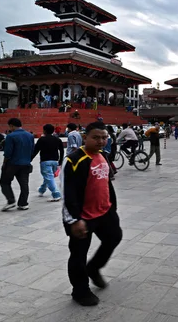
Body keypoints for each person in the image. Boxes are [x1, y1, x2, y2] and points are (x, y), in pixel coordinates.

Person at [63, 122, 122, 306]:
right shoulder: (74, 159)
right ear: (85, 137)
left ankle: (94, 268)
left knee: (114, 237)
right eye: (96, 137)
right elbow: (67, 192)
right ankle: (80, 291)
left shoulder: (103, 154)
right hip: (83, 216)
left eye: (104, 137)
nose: (101, 141)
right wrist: (74, 220)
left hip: (104, 212)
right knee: (78, 254)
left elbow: (105, 182)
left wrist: (112, 206)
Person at [0, 118, 35, 211]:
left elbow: (8, 153)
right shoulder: (30, 135)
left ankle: (11, 200)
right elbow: (32, 150)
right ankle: (23, 203)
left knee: (4, 182)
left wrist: (4, 164)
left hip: (12, 164)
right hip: (25, 164)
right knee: (24, 184)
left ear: (11, 125)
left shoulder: (11, 136)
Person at [31, 124, 64, 201]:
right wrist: (60, 161)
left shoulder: (42, 139)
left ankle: (56, 194)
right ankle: (42, 189)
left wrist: (30, 159)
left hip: (45, 161)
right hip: (55, 161)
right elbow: (61, 151)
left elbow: (35, 151)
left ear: (44, 130)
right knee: (49, 177)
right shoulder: (57, 139)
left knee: (49, 177)